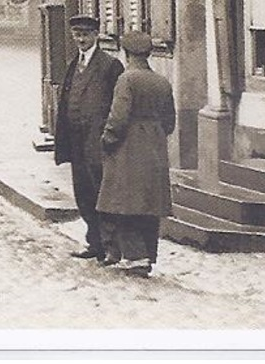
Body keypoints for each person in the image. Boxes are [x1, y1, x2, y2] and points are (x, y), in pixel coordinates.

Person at [95, 31, 176, 276]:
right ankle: (149, 255)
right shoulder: (162, 81)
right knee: (150, 205)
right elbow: (170, 122)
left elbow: (118, 117)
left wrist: (107, 139)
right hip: (155, 149)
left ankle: (135, 256)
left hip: (128, 149)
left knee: (124, 203)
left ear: (127, 53)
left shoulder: (126, 79)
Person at [53, 14, 123, 263]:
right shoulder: (74, 64)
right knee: (83, 193)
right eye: (77, 35)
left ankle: (111, 246)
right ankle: (94, 242)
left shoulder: (110, 65)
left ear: (96, 35)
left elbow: (118, 105)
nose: (80, 39)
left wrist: (108, 134)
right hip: (76, 141)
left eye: (85, 34)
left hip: (98, 142)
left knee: (102, 193)